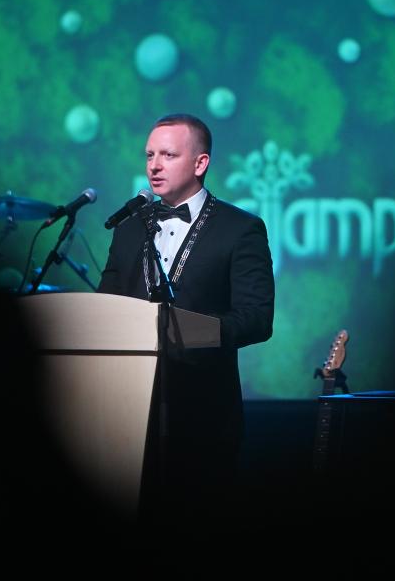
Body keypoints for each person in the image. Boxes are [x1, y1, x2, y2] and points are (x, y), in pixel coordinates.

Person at [98, 113, 275, 523]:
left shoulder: (240, 228)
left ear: (200, 163)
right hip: (128, 413)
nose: (154, 166)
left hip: (203, 412)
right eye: (149, 155)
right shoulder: (128, 229)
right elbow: (105, 308)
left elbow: (256, 318)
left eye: (168, 155)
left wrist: (188, 331)